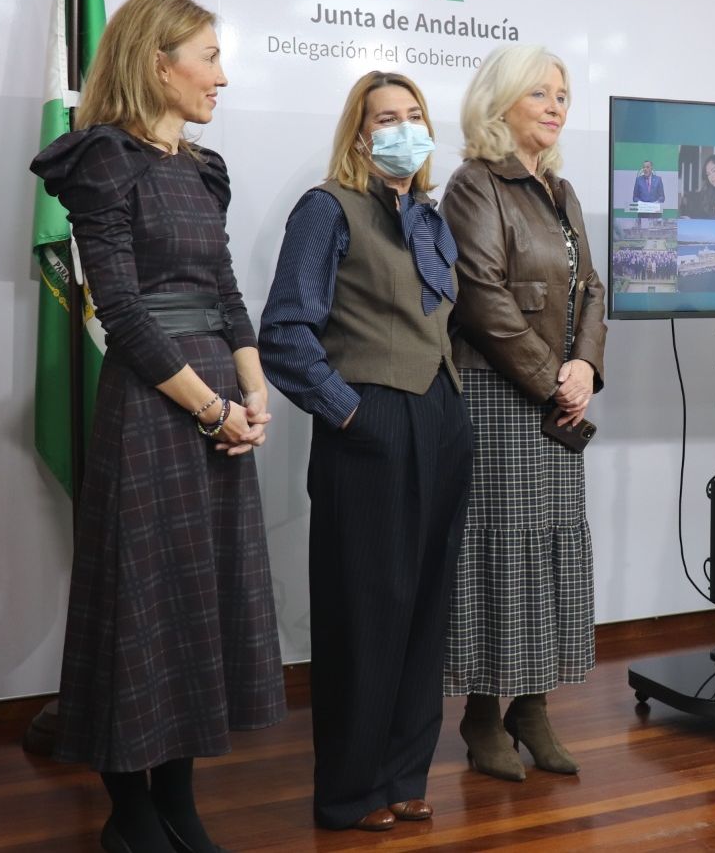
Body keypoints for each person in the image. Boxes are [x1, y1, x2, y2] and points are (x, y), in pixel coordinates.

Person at [29, 0, 284, 853]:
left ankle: (177, 799)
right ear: (156, 62)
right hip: (153, 404)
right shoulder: (104, 159)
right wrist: (212, 408)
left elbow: (227, 294)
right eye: (209, 57)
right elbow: (123, 313)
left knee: (197, 601)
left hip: (218, 402)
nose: (222, 76)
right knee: (138, 599)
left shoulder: (202, 169)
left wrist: (254, 394)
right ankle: (129, 810)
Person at [258, 71, 472, 831]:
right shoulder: (327, 208)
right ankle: (350, 791)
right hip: (374, 420)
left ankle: (404, 775)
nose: (404, 128)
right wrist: (349, 412)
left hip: (441, 417)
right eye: (386, 118)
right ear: (359, 134)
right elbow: (285, 331)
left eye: (414, 115)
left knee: (424, 608)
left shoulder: (429, 216)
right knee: (365, 610)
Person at [440, 44, 608, 781]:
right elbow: (481, 298)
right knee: (499, 552)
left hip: (556, 395)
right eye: (539, 93)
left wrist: (586, 367)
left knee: (549, 547)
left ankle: (531, 708)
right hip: (497, 394)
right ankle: (482, 713)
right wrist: (553, 380)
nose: (555, 106)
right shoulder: (473, 183)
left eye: (562, 95)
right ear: (499, 101)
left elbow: (592, 289)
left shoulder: (560, 190)